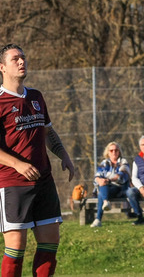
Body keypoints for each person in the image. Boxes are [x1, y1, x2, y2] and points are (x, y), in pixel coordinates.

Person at [0, 43, 75, 276]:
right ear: (2, 67)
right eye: (15, 59)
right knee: (16, 247)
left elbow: (47, 131)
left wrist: (64, 155)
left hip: (44, 180)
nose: (22, 61)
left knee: (50, 242)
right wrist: (18, 164)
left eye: (23, 57)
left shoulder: (36, 96)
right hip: (13, 183)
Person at [90, 141, 130, 228]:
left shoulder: (123, 162)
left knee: (101, 192)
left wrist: (108, 180)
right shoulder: (104, 163)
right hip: (106, 189)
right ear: (108, 152)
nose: (114, 152)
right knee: (102, 187)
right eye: (111, 150)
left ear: (119, 152)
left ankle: (98, 219)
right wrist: (99, 180)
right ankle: (105, 202)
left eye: (116, 150)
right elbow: (97, 176)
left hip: (119, 189)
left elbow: (122, 177)